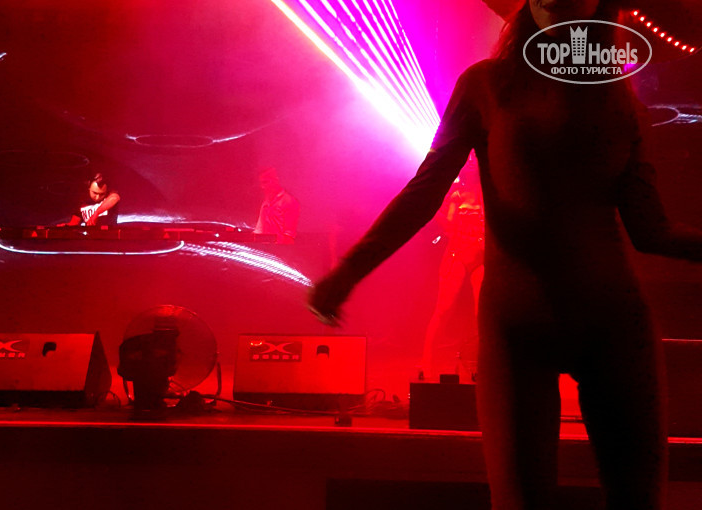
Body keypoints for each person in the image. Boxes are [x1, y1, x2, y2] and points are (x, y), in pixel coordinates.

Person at [308, 1, 702, 509]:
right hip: (526, 329)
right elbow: (425, 193)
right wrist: (348, 271)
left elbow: (652, 230)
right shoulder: (488, 87)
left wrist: (348, 272)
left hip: (608, 326)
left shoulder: (619, 101)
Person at [422, 154, 485, 379]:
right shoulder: (456, 193)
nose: (471, 162)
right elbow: (447, 224)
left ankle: (484, 366)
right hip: (457, 253)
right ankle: (427, 365)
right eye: (468, 159)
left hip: (481, 256)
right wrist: (436, 209)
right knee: (444, 309)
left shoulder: (488, 192)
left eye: (475, 159)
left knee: (482, 312)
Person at [254, 166, 300, 245]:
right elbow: (259, 230)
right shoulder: (265, 203)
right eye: (261, 183)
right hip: (265, 248)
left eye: (265, 182)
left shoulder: (288, 201)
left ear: (275, 180)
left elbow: (289, 235)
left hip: (280, 249)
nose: (262, 187)